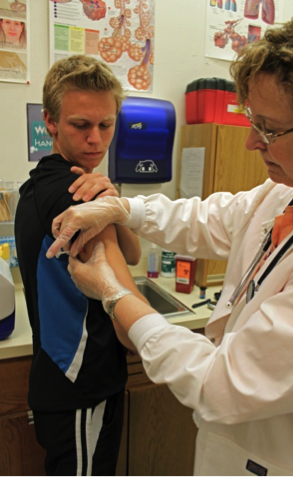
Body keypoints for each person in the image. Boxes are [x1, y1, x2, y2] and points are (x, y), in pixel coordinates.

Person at [50, 10, 293, 477]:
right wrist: (122, 209)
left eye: (270, 128)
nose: (252, 142)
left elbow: (222, 385)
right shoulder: (290, 189)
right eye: (250, 119)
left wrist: (116, 297)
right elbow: (211, 218)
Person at [15, 55, 147, 477]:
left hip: (65, 381)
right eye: (80, 125)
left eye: (105, 125)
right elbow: (123, 288)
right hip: (80, 386)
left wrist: (115, 204)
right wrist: (152, 340)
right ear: (50, 122)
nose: (96, 139)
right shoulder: (75, 194)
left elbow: (131, 253)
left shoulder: (48, 181)